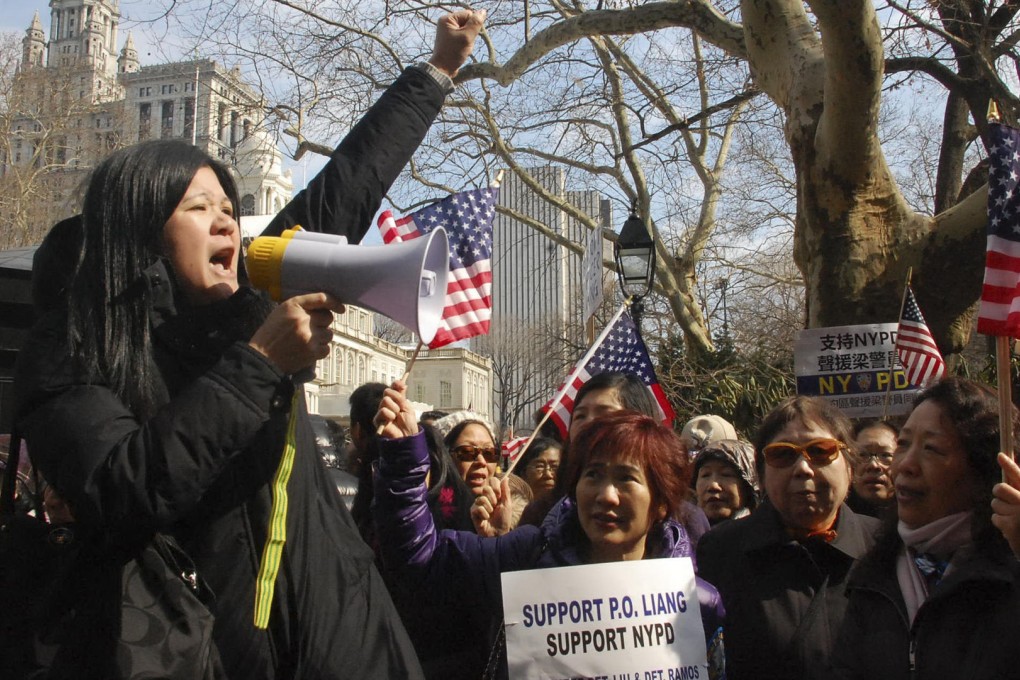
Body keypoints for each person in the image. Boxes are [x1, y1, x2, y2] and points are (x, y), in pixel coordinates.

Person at [12, 10, 485, 678]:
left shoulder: (245, 306)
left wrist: (439, 69)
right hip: (207, 650)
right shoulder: (73, 355)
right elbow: (123, 489)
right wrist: (259, 365)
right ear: (140, 227)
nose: (229, 223)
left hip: (342, 631)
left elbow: (344, 189)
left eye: (231, 209)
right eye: (200, 208)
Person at [372, 384, 725, 679]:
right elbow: (422, 557)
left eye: (626, 478)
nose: (606, 495)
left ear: (661, 501)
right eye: (593, 475)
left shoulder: (699, 605)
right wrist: (405, 459)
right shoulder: (527, 555)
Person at [831, 377, 1020, 679]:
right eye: (903, 444)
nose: (905, 464)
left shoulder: (1009, 571)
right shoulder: (873, 574)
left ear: (983, 471)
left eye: (932, 448)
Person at [697, 395, 880, 680]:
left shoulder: (886, 547)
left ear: (849, 465)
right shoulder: (720, 551)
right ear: (761, 473)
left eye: (820, 451)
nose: (803, 468)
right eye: (783, 454)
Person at [518, 372, 711, 547]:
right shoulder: (540, 514)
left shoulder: (687, 520)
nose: (588, 426)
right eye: (580, 416)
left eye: (604, 414)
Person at [432, 410, 499, 496]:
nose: (481, 462)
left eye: (489, 453)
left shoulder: (512, 506)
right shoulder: (421, 506)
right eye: (467, 452)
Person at [692, 439, 759, 525]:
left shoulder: (767, 535)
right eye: (705, 475)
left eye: (726, 474)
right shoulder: (679, 534)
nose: (713, 485)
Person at [846, 420, 897, 518]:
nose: (874, 465)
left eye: (885, 455)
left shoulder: (916, 525)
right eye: (862, 455)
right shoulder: (836, 523)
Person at [516, 436, 562, 502]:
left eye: (554, 466)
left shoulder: (574, 510)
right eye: (539, 466)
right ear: (523, 473)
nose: (548, 474)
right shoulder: (512, 509)